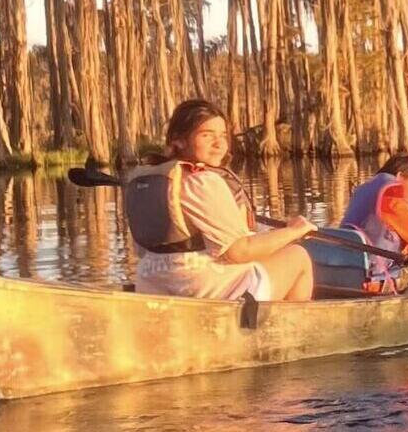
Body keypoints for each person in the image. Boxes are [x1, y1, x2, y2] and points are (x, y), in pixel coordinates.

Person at [129, 99, 316, 302]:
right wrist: (293, 231)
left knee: (272, 252)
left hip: (151, 282)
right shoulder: (202, 181)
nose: (219, 144)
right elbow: (240, 251)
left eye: (223, 136)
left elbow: (143, 249)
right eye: (207, 135)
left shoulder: (143, 179)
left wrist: (275, 238)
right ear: (179, 140)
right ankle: (288, 331)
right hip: (198, 286)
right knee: (298, 256)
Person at [341, 154, 408, 292]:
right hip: (372, 283)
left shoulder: (364, 191)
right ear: (400, 178)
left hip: (346, 275)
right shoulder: (393, 201)